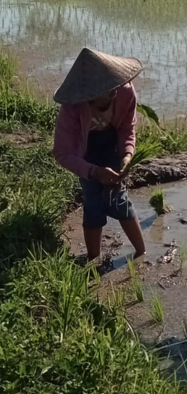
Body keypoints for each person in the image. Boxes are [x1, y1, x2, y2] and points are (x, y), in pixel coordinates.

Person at [53, 47, 146, 261]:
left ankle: (141, 253)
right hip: (85, 150)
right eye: (106, 88)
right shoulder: (72, 108)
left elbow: (126, 129)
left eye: (113, 83)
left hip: (112, 143)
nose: (113, 89)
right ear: (90, 95)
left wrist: (126, 155)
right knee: (93, 203)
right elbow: (62, 152)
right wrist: (93, 171)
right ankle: (92, 258)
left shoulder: (124, 91)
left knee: (118, 200)